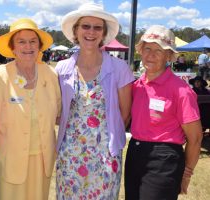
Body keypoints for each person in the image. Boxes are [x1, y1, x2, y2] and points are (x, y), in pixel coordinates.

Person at [55, 3, 134, 199]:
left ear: (104, 33)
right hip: (70, 153)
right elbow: (58, 112)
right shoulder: (62, 69)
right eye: (85, 26)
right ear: (76, 30)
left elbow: (125, 113)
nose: (91, 32)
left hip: (105, 154)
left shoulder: (119, 68)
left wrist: (106, 140)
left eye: (97, 27)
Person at [124, 25, 203, 200]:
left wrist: (187, 173)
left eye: (158, 50)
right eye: (147, 49)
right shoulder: (136, 86)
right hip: (134, 153)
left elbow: (196, 137)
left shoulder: (181, 90)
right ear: (140, 52)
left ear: (169, 56)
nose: (150, 55)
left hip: (164, 159)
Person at [0, 18, 61, 200]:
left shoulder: (51, 74)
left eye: (32, 41)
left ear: (39, 45)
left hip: (42, 159)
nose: (27, 46)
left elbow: (57, 112)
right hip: (9, 160)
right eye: (21, 41)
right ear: (12, 47)